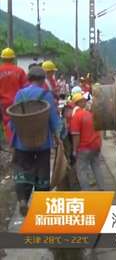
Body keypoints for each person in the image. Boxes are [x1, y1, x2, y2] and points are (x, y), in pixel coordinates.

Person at [10, 66, 61, 216]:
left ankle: (23, 200)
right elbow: (53, 120)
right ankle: (40, 206)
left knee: (22, 172)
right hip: (42, 143)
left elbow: (14, 118)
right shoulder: (47, 95)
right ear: (42, 80)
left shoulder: (20, 94)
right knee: (42, 174)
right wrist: (60, 135)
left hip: (22, 143)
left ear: (29, 79)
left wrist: (15, 133)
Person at [70, 92, 105, 190]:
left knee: (81, 171)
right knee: (96, 168)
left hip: (83, 148)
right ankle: (102, 189)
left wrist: (74, 150)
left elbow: (76, 136)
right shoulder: (90, 114)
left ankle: (87, 193)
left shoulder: (76, 117)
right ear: (81, 103)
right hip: (95, 146)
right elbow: (99, 130)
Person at [0, 48, 27, 143]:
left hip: (3, 103)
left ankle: (10, 142)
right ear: (13, 58)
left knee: (6, 122)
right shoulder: (20, 71)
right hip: (17, 102)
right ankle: (19, 143)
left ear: (2, 58)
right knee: (18, 122)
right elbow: (25, 88)